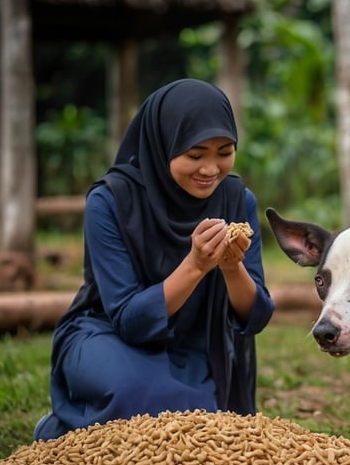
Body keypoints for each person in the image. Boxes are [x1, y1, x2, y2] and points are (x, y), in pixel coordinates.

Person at [34, 79, 275, 441]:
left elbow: (255, 316)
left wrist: (230, 266)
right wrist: (194, 266)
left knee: (197, 421)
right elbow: (129, 319)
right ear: (164, 146)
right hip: (107, 334)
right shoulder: (111, 200)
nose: (210, 169)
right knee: (138, 396)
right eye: (195, 155)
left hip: (194, 342)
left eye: (224, 152)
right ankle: (57, 430)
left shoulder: (237, 200)